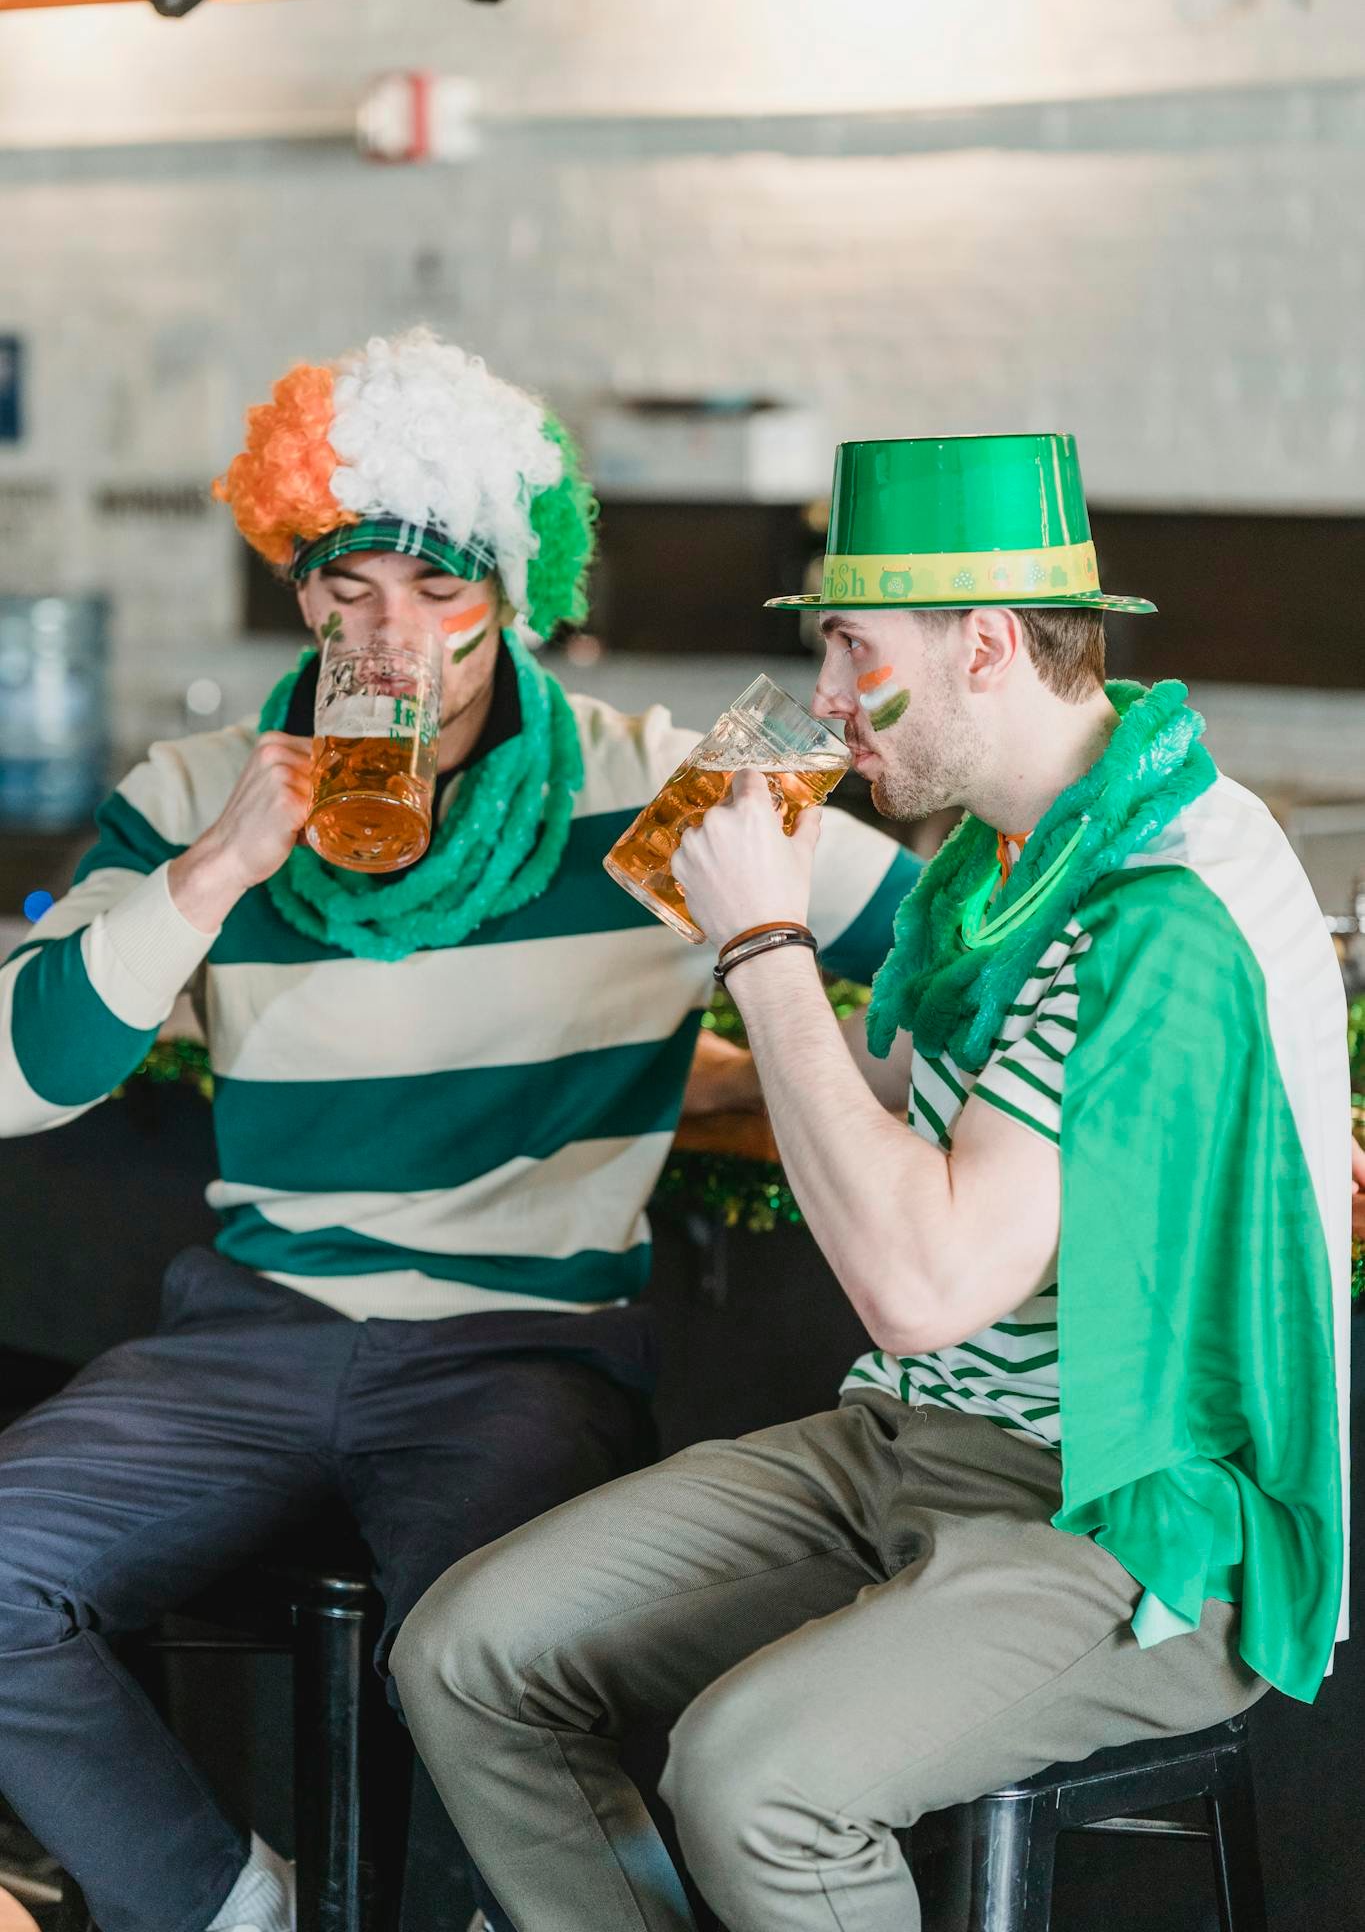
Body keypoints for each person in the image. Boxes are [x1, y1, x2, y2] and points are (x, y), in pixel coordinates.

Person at [0, 334, 919, 1932]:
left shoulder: (667, 791)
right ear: (300, 594)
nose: (395, 641)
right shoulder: (195, 787)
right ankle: (225, 1908)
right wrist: (212, 872)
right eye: (348, 590)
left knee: (497, 1666)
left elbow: (951, 962)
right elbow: (26, 1074)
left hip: (524, 1343)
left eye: (440, 593)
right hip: (252, 1331)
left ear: (516, 592)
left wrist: (802, 1064)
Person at [393, 431, 1350, 1932]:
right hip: (919, 1440)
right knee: (465, 1654)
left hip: (1131, 1510)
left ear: (981, 648)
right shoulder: (1001, 856)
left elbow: (922, 1284)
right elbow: (892, 1094)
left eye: (846, 648)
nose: (823, 704)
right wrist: (656, 1057)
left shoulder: (1157, 910)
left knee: (749, 1780)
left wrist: (761, 947)